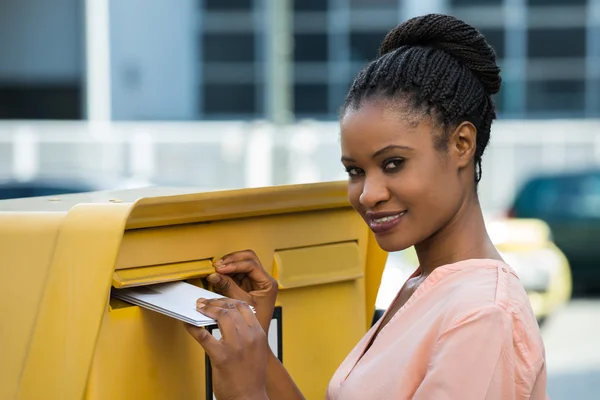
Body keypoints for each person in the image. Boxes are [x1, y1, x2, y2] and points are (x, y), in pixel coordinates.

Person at [185, 13, 549, 400]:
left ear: (461, 144)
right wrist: (257, 352)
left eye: (393, 163)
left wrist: (243, 394)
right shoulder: (425, 286)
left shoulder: (482, 314)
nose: (367, 194)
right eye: (355, 170)